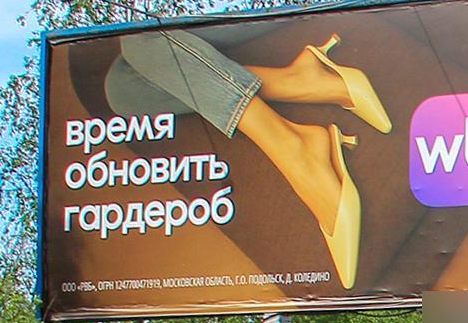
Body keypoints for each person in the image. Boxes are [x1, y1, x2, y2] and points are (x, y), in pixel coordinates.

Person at [102, 29, 390, 288]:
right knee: (123, 89)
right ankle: (300, 83)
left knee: (142, 38)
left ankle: (292, 145)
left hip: (235, 2)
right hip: (179, 10)